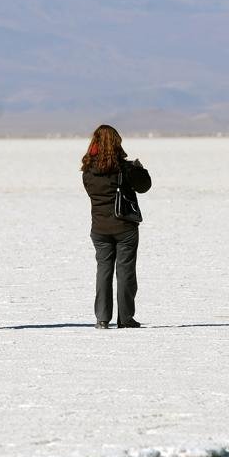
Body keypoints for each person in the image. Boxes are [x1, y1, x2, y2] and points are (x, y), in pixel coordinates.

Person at [81, 125, 152, 329]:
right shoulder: (124, 168)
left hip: (99, 228)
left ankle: (102, 318)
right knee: (125, 273)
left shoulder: (88, 170)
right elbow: (144, 186)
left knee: (103, 272)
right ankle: (126, 318)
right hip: (124, 227)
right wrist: (139, 170)